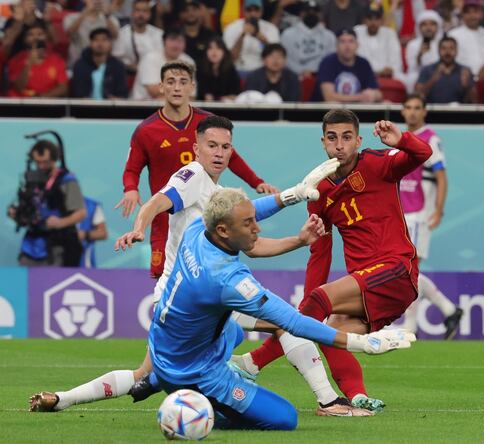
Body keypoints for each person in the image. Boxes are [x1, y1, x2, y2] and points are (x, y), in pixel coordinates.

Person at [30, 116, 369, 417]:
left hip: (194, 297)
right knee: (285, 324)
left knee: (144, 375)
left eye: (225, 147)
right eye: (212, 146)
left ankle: (63, 398)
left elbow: (251, 230)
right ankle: (325, 401)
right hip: (193, 298)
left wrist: (295, 220)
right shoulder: (191, 175)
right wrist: (140, 226)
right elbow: (158, 202)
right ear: (196, 148)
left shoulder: (216, 191)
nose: (219, 153)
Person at [143, 187, 413, 430]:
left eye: (253, 220)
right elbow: (294, 322)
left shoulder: (197, 229)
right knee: (284, 418)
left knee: (234, 332)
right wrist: (362, 343)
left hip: (165, 348)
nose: (257, 228)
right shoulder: (228, 280)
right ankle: (200, 409)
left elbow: (249, 209)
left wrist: (292, 194)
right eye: (247, 224)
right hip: (196, 372)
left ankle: (159, 379)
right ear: (224, 230)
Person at [237, 110, 433, 413]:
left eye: (346, 137)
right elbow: (320, 253)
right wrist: (307, 312)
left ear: (358, 140)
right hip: (367, 287)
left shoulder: (380, 164)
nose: (339, 145)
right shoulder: (320, 190)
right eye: (332, 138)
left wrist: (401, 138)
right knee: (332, 333)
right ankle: (356, 399)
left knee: (317, 313)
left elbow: (423, 153)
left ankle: (254, 361)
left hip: (396, 269)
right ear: (323, 142)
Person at [117, 61, 275, 279]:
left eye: (183, 82)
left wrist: (256, 182)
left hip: (201, 214)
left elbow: (233, 156)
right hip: (166, 217)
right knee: (164, 277)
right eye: (170, 82)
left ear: (192, 86)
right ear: (161, 87)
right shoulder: (146, 130)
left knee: (200, 275)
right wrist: (130, 189)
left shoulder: (207, 125)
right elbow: (131, 168)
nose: (177, 88)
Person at [397, 95, 463, 339]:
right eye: (409, 108)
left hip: (419, 213)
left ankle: (411, 326)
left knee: (409, 269)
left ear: (424, 112)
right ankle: (449, 310)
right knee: (407, 269)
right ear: (403, 111)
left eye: (417, 108)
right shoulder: (400, 139)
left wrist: (438, 209)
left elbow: (442, 176)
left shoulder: (431, 139)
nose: (412, 112)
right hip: (402, 213)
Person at [8, 140, 85, 266]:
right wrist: (17, 214)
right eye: (38, 162)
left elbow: (81, 213)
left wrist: (60, 222)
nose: (41, 166)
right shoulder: (31, 180)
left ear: (55, 159)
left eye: (45, 162)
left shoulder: (67, 180)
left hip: (58, 244)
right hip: (32, 244)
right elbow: (25, 207)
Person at [313, 28, 382, 103]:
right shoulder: (327, 62)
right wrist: (360, 97)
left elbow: (379, 94)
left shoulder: (364, 63)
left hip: (356, 113)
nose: (347, 46)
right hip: (327, 113)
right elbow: (329, 97)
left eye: (351, 41)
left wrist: (373, 95)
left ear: (357, 45)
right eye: (342, 42)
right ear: (336, 46)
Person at [130, 28, 196, 100]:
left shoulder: (189, 62)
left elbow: (191, 95)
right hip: (142, 107)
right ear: (164, 42)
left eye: (180, 41)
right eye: (172, 40)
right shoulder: (150, 58)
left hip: (176, 107)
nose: (176, 45)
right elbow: (154, 91)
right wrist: (181, 93)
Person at [6, 22, 68, 98]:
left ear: (46, 37)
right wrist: (28, 64)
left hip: (46, 104)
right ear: (25, 39)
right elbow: (18, 87)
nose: (36, 38)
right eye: (31, 35)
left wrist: (42, 98)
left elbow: (63, 88)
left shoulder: (57, 60)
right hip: (21, 105)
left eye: (40, 34)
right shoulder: (16, 60)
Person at [279, 0, 336, 77]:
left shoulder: (329, 36)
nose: (311, 14)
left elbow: (331, 60)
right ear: (301, 13)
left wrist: (315, 73)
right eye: (308, 11)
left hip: (322, 77)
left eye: (315, 11)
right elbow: (285, 59)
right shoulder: (287, 34)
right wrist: (301, 72)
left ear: (320, 14)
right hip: (294, 77)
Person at [222, 0, 280, 74]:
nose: (253, 14)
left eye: (256, 10)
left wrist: (261, 38)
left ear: (262, 11)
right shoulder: (231, 28)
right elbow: (230, 59)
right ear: (243, 11)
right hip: (238, 71)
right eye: (249, 10)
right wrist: (242, 36)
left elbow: (277, 57)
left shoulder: (271, 29)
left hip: (263, 73)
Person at [70, 27, 129, 99]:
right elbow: (78, 92)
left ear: (110, 44)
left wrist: (115, 99)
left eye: (104, 40)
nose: (100, 44)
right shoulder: (80, 65)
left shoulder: (118, 66)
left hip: (111, 107)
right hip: (85, 107)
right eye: (96, 40)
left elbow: (122, 93)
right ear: (90, 43)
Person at [415, 36, 476, 104]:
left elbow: (475, 101)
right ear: (438, 50)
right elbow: (417, 96)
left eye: (451, 48)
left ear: (457, 51)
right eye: (443, 48)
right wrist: (433, 79)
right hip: (433, 112)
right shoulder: (427, 69)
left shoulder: (465, 71)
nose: (447, 52)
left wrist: (467, 86)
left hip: (458, 112)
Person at [112, 0, 164, 74]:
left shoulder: (158, 34)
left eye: (144, 11)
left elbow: (161, 57)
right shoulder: (122, 34)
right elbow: (117, 58)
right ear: (132, 13)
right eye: (137, 10)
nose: (141, 14)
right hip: (128, 75)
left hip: (154, 74)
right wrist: (133, 67)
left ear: (150, 14)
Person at [62, 0, 119, 66]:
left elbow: (115, 35)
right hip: (77, 63)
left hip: (103, 65)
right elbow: (69, 33)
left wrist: (106, 16)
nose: (97, 1)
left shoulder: (110, 19)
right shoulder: (71, 17)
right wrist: (84, 14)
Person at [449, 0, 484, 79]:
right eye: (468, 12)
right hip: (464, 81)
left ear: (482, 14)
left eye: (476, 12)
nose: (472, 16)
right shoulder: (453, 35)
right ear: (462, 14)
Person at [355, 3, 403, 80]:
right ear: (364, 20)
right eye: (370, 18)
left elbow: (395, 63)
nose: (373, 22)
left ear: (382, 20)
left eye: (377, 18)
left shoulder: (389, 34)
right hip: (362, 75)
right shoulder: (357, 32)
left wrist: (387, 71)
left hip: (387, 77)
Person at [404, 10, 443, 92]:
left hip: (441, 74)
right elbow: (412, 68)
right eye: (424, 24)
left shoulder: (443, 43)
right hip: (419, 75)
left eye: (432, 24)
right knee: (412, 78)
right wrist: (420, 55)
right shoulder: (413, 44)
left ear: (438, 27)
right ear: (419, 27)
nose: (428, 28)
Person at [196, 37, 241, 102]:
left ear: (224, 52)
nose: (214, 52)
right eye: (210, 48)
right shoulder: (201, 70)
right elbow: (199, 95)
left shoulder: (231, 70)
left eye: (218, 48)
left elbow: (236, 95)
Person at [78, 196, 108, 268]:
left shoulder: (91, 205)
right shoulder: (54, 204)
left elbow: (103, 233)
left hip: (84, 263)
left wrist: (84, 234)